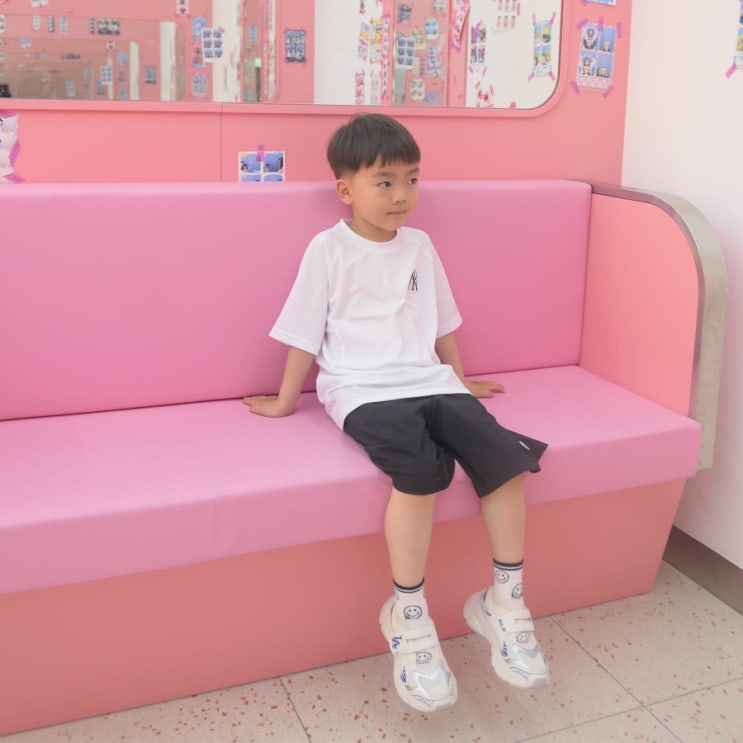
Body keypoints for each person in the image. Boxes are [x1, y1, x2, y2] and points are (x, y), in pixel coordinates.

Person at [243, 113, 550, 712]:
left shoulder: (420, 245)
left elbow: (441, 322)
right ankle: (408, 614)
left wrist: (460, 381)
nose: (401, 195)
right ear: (346, 189)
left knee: (505, 460)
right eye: (384, 182)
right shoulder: (328, 249)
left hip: (429, 380)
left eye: (411, 179)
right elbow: (304, 332)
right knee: (422, 472)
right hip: (362, 389)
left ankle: (505, 602)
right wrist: (285, 400)